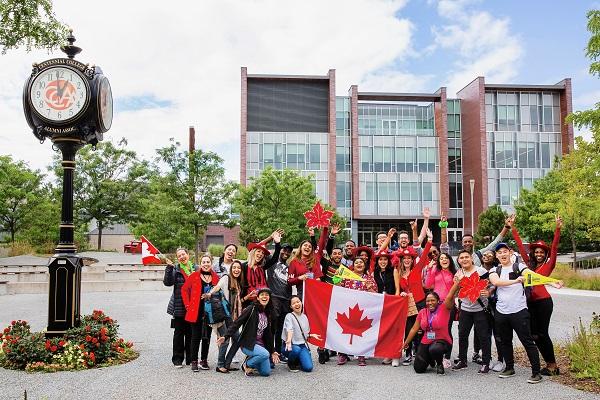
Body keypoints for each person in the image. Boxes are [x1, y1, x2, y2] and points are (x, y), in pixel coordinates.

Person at [512, 215, 563, 376]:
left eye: (542, 252)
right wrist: (513, 229)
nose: (539, 253)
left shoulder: (549, 265)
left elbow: (554, 248)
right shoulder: (529, 266)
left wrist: (558, 229)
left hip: (543, 302)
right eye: (536, 251)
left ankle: (553, 365)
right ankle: (549, 364)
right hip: (530, 303)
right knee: (534, 334)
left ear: (545, 254)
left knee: (542, 333)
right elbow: (521, 248)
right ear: (533, 253)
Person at [488, 243, 542, 384]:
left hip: (519, 311)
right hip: (501, 311)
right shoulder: (494, 270)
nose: (502, 254)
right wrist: (515, 281)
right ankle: (510, 368)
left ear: (510, 253)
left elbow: (532, 276)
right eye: (499, 253)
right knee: (505, 341)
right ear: (496, 256)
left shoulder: (519, 267)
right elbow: (496, 282)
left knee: (527, 341)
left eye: (505, 251)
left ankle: (536, 372)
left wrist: (552, 282)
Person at [217, 287, 281, 377]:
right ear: (258, 298)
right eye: (262, 295)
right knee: (265, 354)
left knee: (265, 372)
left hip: (261, 346)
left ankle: (252, 359)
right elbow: (237, 323)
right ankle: (247, 364)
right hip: (248, 344)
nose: (264, 297)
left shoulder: (268, 313)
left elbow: (269, 335)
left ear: (269, 298)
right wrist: (226, 336)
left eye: (267, 295)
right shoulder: (251, 309)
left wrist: (273, 350)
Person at [393, 229, 433, 366]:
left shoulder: (417, 269)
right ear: (402, 261)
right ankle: (408, 353)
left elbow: (424, 255)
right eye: (405, 259)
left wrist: (430, 240)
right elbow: (399, 289)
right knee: (409, 328)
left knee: (421, 328)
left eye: (409, 258)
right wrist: (403, 293)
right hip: (408, 304)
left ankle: (420, 351)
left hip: (420, 303)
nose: (407, 260)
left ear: (411, 259)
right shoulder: (398, 273)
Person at [403, 282, 461, 375]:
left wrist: (457, 283)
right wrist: (405, 343)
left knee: (435, 349)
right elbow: (414, 329)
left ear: (438, 301)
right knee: (418, 368)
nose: (430, 303)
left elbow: (450, 295)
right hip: (427, 341)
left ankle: (439, 364)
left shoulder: (444, 308)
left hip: (442, 341)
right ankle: (430, 359)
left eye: (432, 300)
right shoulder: (422, 312)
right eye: (428, 301)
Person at [452, 250, 493, 374]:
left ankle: (486, 362)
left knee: (483, 336)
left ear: (471, 259)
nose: (464, 260)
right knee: (462, 335)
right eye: (462, 258)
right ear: (458, 261)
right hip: (465, 309)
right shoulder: (458, 273)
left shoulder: (481, 271)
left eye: (467, 257)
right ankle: (463, 360)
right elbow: (456, 290)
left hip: (480, 309)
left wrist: (489, 292)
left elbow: (491, 285)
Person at [181, 253, 220, 372]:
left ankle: (204, 360)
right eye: (204, 262)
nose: (206, 264)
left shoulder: (215, 277)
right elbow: (184, 289)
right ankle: (194, 361)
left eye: (208, 262)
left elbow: (219, 292)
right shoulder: (194, 276)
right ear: (200, 263)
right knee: (195, 337)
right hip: (196, 311)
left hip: (210, 312)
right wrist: (187, 305)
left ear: (211, 263)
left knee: (206, 337)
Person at [337, 256, 378, 366]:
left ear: (364, 266)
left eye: (361, 263)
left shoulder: (369, 278)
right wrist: (337, 278)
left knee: (362, 334)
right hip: (348, 309)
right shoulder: (346, 278)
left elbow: (376, 297)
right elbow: (336, 289)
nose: (359, 264)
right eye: (356, 263)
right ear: (353, 266)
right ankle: (343, 354)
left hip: (363, 311)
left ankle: (361, 355)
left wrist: (370, 288)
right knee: (344, 332)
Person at [208, 259, 244, 373]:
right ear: (231, 269)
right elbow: (217, 287)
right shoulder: (226, 278)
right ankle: (220, 365)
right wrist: (209, 294)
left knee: (237, 339)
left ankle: (227, 363)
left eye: (238, 268)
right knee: (225, 340)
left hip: (232, 315)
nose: (236, 270)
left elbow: (238, 300)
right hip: (223, 314)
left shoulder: (238, 282)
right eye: (234, 267)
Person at [163, 247, 197, 368]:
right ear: (177, 258)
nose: (182, 257)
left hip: (193, 307)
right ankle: (177, 359)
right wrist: (169, 268)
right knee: (178, 334)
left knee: (191, 333)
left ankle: (190, 358)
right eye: (179, 256)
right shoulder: (175, 269)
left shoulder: (195, 268)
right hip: (179, 306)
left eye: (184, 254)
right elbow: (168, 282)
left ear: (188, 255)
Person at [424, 252, 457, 368]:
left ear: (450, 260)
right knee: (433, 329)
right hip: (435, 305)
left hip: (448, 306)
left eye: (446, 258)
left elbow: (457, 289)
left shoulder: (454, 273)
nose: (444, 260)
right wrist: (430, 269)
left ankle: (447, 357)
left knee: (446, 330)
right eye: (441, 258)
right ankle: (435, 355)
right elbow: (428, 285)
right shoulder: (435, 271)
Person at [266, 243, 294, 363]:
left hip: (286, 300)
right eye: (284, 250)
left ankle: (278, 352)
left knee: (280, 329)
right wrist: (274, 240)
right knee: (272, 327)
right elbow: (261, 247)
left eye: (288, 252)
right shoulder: (272, 261)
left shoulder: (289, 267)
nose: (286, 253)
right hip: (274, 297)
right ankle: (269, 353)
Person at [241, 230, 283, 307]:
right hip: (249, 302)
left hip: (264, 300)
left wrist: (277, 243)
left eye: (263, 253)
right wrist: (243, 299)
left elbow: (274, 259)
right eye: (258, 251)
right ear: (253, 252)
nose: (260, 254)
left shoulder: (262, 266)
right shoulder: (244, 266)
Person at [282, 296, 322, 372]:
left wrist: (311, 335)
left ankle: (298, 359)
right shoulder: (289, 316)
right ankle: (291, 363)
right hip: (289, 346)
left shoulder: (304, 317)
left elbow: (303, 334)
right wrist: (289, 340)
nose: (296, 304)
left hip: (302, 345)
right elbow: (289, 329)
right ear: (291, 306)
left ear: (301, 302)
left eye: (298, 302)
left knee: (308, 368)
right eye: (293, 303)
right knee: (296, 350)